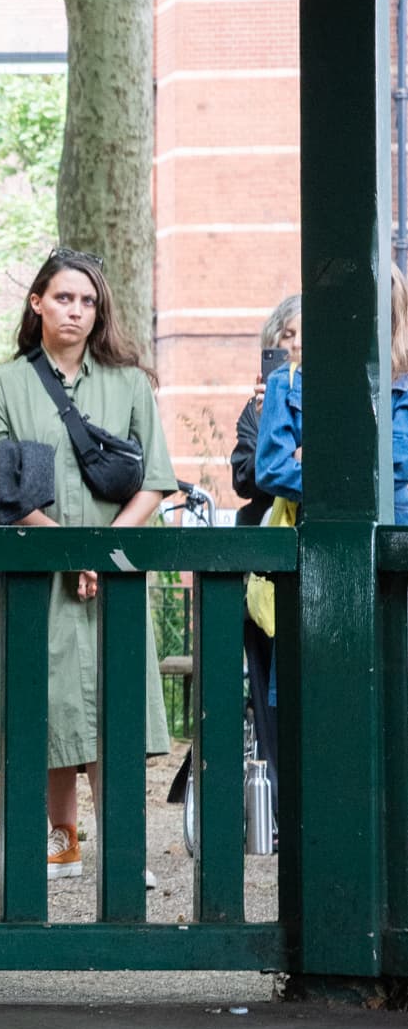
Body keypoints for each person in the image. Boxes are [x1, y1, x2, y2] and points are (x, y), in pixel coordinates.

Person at [0, 248, 175, 872]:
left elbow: (155, 483)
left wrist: (101, 556)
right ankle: (62, 838)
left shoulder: (130, 383)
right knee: (45, 701)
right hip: (33, 574)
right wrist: (67, 549)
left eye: (87, 301)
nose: (76, 310)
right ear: (37, 303)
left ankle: (123, 847)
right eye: (63, 298)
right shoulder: (3, 384)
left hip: (112, 573)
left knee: (115, 700)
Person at [254, 271, 408, 520]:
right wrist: (356, 470)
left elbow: (400, 462)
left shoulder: (403, 380)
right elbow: (272, 469)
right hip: (324, 533)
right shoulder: (288, 380)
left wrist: (317, 460)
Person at [231, 292, 299, 822]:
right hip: (264, 577)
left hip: (310, 565)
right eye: (287, 337)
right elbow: (248, 477)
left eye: (304, 336)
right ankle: (277, 813)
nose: (295, 346)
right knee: (269, 697)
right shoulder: (258, 407)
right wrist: (267, 414)